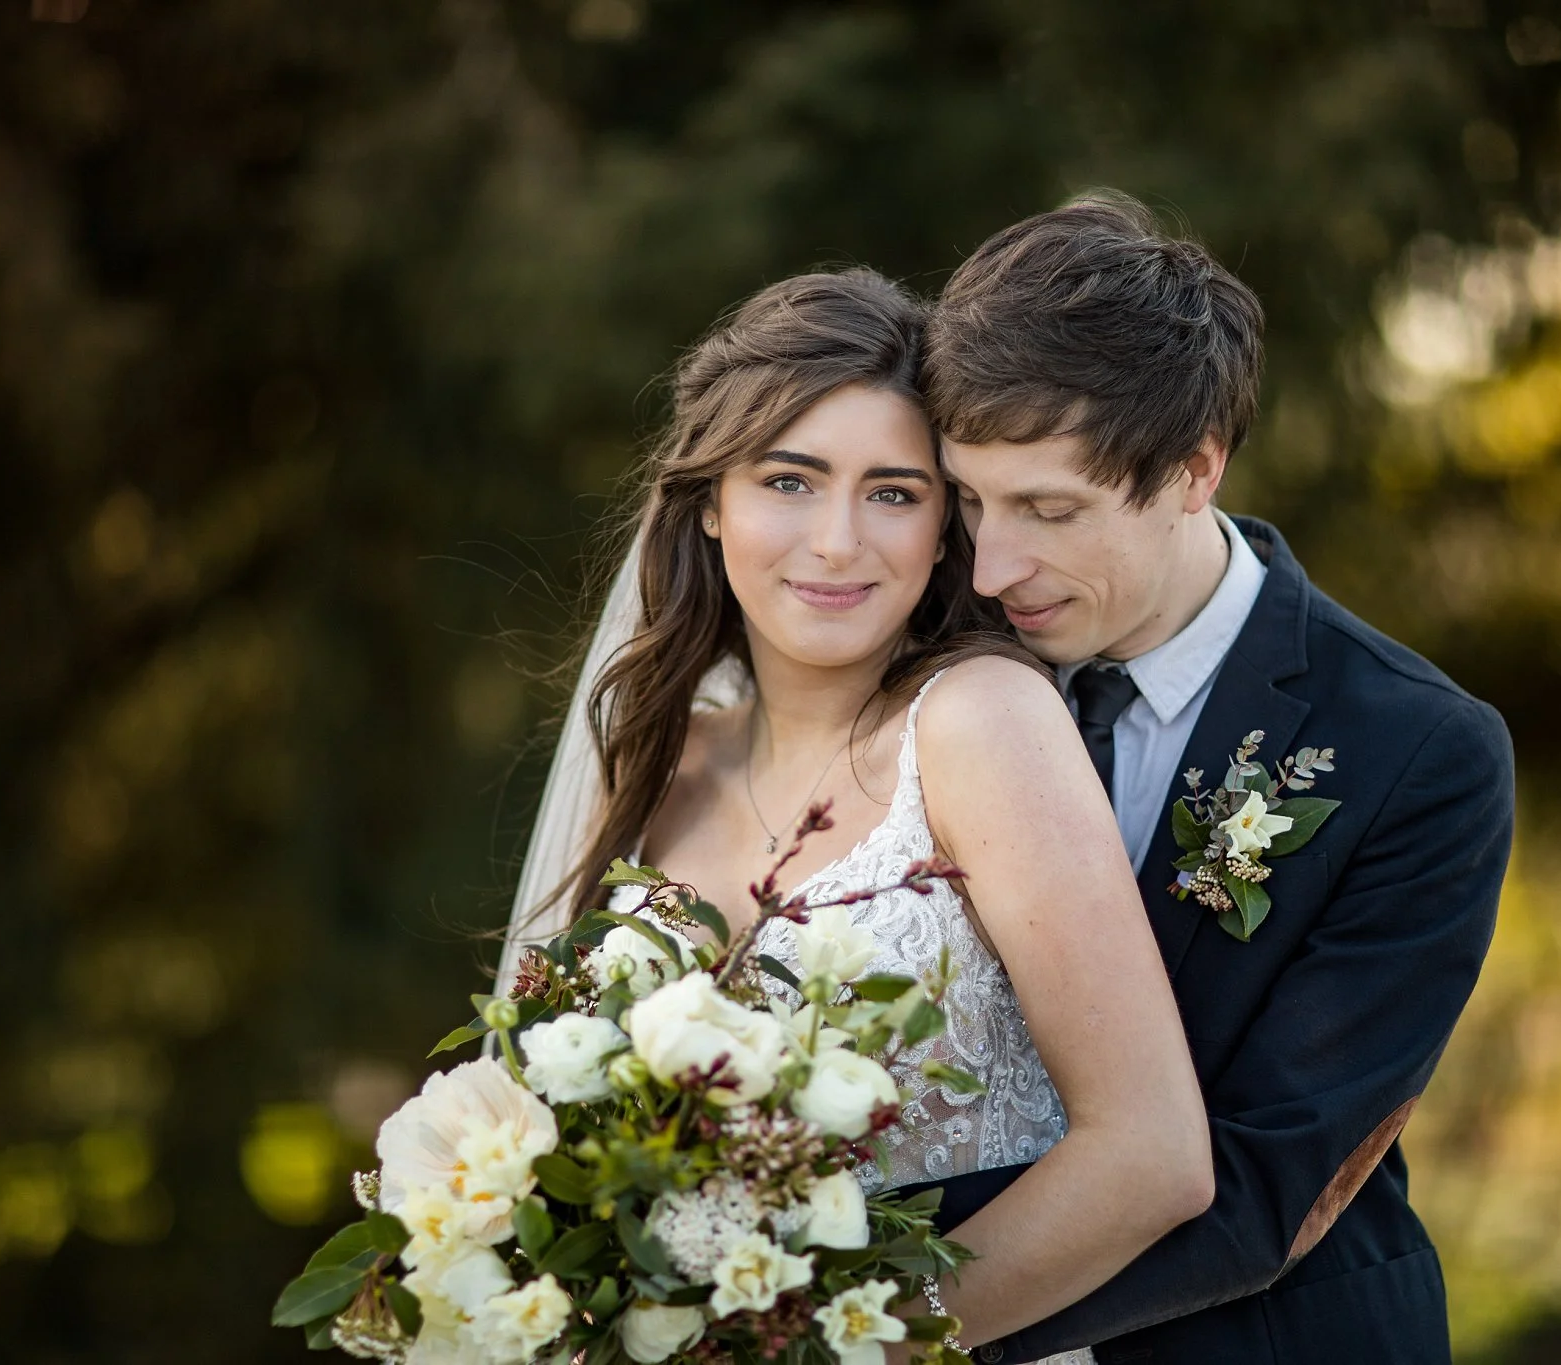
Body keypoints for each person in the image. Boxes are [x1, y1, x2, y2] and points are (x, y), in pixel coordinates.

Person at [498, 268, 1214, 1354]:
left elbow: (1151, 1153)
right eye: (789, 480)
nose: (837, 541)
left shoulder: (977, 726)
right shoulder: (656, 764)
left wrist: (838, 1348)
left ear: (944, 532)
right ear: (707, 503)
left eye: (892, 492)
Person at [913, 191, 1515, 1365]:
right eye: (969, 500)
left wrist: (870, 1328)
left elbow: (1272, 1173)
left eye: (1049, 509)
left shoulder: (1416, 752)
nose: (989, 567)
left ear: (1195, 467)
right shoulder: (931, 660)